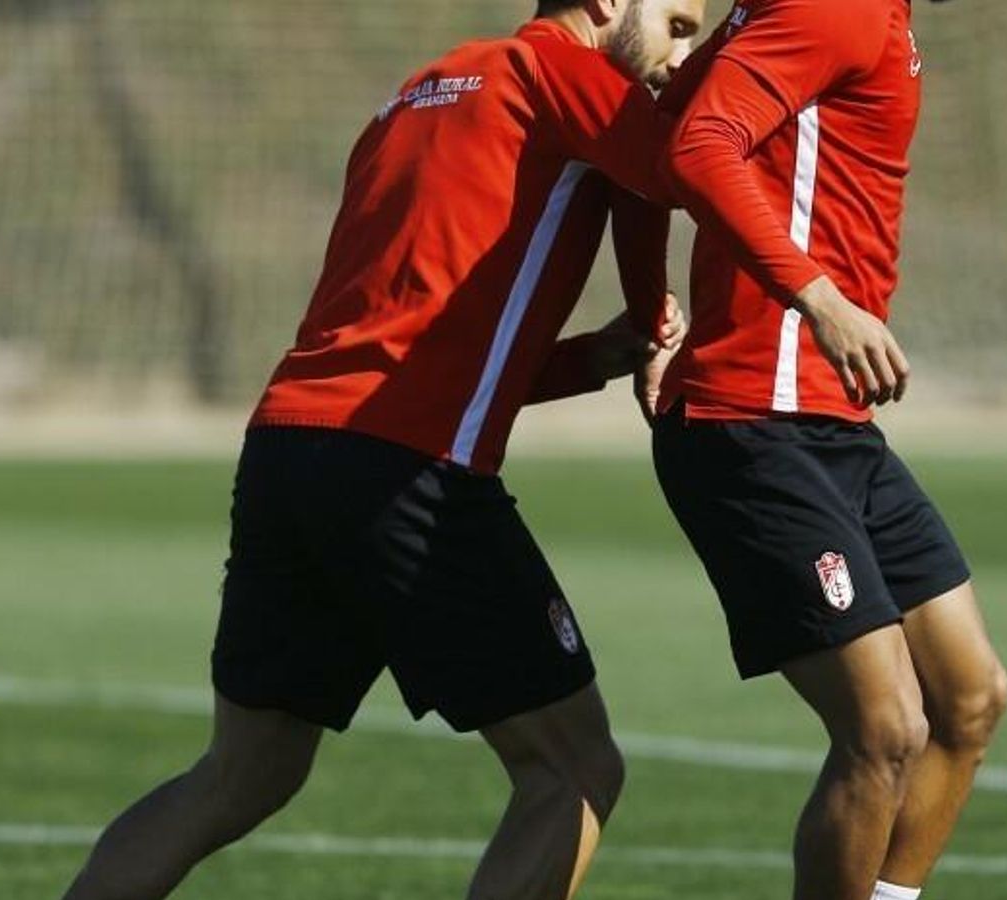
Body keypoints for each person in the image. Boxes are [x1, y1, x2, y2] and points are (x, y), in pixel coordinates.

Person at [60, 0, 704, 897]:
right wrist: (789, 297)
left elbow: (410, 336)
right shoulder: (565, 79)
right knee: (576, 770)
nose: (684, 55)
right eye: (676, 23)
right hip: (404, 468)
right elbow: (690, 168)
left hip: (289, 446)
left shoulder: (416, 96)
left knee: (244, 774)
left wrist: (597, 354)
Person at [645, 1, 1007, 898]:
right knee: (885, 729)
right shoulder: (829, 5)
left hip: (833, 422)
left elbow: (656, 137)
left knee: (968, 697)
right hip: (751, 423)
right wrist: (819, 297)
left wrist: (640, 305)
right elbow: (691, 146)